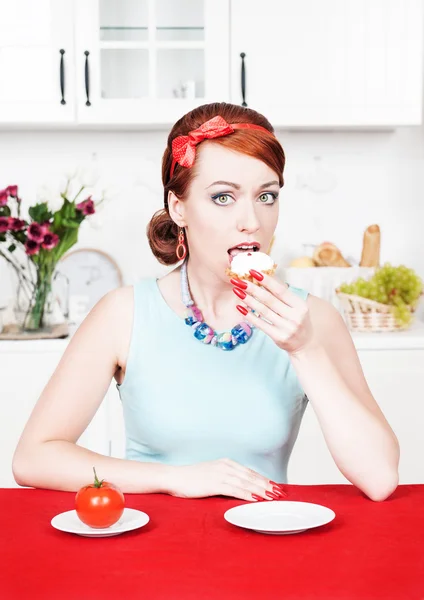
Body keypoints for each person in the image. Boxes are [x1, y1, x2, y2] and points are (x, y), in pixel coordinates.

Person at [12, 102, 399, 502]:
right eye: (222, 198)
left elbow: (380, 478)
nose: (252, 220)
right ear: (178, 207)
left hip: (267, 541)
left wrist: (304, 350)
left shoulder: (313, 319)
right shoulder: (122, 314)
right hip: (149, 544)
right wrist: (172, 478)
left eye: (266, 196)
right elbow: (33, 458)